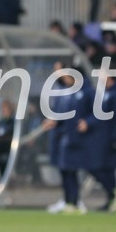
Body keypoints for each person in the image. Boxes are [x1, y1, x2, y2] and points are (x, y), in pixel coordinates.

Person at [42, 64, 92, 214]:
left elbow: (95, 112)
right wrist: (52, 120)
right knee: (64, 170)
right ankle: (68, 200)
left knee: (71, 170)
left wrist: (88, 122)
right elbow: (59, 113)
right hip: (61, 136)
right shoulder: (63, 92)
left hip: (76, 138)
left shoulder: (86, 91)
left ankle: (75, 201)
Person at [78, 70, 116, 212]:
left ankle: (115, 197)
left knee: (104, 169)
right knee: (100, 168)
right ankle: (112, 197)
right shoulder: (104, 93)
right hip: (99, 140)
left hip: (109, 140)